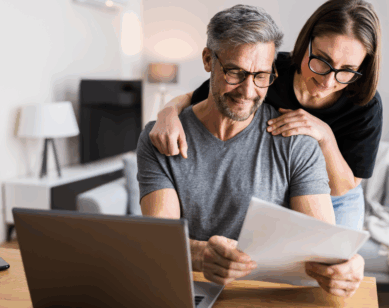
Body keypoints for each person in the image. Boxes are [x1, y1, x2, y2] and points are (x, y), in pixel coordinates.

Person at [138, 4, 364, 299]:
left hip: (264, 298)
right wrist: (201, 254)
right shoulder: (163, 137)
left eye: (261, 76)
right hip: (189, 293)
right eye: (235, 72)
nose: (247, 91)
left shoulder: (296, 142)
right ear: (208, 60)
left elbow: (322, 249)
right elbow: (159, 239)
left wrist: (349, 264)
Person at [149, 0, 383, 232]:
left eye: (347, 71)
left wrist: (325, 136)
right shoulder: (265, 69)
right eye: (322, 61)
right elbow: (197, 96)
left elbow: (343, 187)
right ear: (306, 43)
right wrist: (167, 113)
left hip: (336, 198)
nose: (328, 81)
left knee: (333, 263)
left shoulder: (365, 103)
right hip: (283, 187)